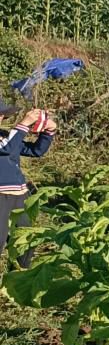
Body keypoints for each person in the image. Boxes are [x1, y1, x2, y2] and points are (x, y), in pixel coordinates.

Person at [0, 102, 55, 269]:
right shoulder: (7, 139)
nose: (1, 117)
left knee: (25, 240)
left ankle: (18, 282)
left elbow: (35, 151)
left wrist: (48, 131)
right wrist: (24, 123)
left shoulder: (4, 134)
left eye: (2, 114)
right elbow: (7, 149)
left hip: (20, 195)